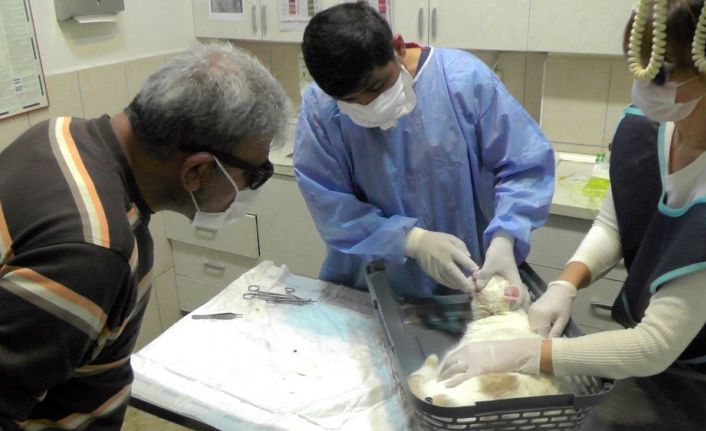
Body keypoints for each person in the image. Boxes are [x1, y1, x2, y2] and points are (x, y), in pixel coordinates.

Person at [0, 43, 289, 430]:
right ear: (197, 171)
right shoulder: (94, 250)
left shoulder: (61, 132)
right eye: (254, 176)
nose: (250, 190)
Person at [438, 0, 706, 384]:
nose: (642, 89)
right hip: (650, 364)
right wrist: (566, 283)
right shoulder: (645, 128)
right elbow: (615, 224)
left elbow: (654, 346)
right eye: (637, 70)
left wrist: (524, 353)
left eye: (660, 75)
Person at [294, 2, 555, 300]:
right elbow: (330, 206)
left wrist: (505, 237)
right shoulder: (321, 107)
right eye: (350, 100)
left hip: (467, 281)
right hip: (370, 289)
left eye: (377, 87)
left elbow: (525, 167)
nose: (367, 104)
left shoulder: (463, 81)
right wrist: (413, 241)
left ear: (398, 47)